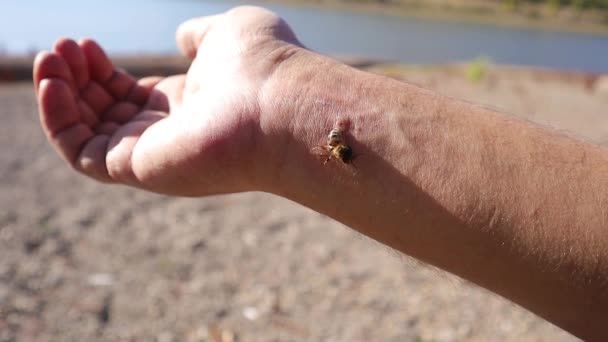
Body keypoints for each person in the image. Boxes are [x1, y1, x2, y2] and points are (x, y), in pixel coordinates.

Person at [33, 6, 607, 340]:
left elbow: (341, 146)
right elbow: (340, 146)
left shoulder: (335, 144)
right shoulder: (335, 145)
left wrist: (276, 98)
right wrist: (275, 105)